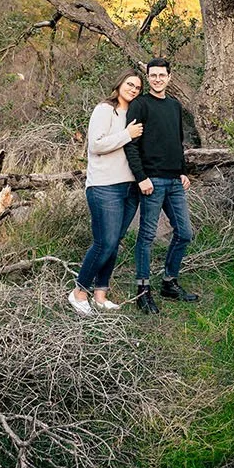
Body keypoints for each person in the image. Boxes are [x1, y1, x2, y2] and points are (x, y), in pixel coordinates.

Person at [124, 57, 198, 315]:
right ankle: (143, 292)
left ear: (169, 77)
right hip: (151, 181)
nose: (157, 79)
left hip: (175, 182)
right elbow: (130, 145)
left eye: (161, 75)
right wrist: (141, 177)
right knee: (146, 236)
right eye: (152, 75)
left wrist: (183, 172)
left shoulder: (175, 106)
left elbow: (177, 142)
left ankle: (169, 282)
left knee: (184, 233)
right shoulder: (140, 105)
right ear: (148, 78)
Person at [68, 69, 144, 316]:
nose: (133, 89)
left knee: (114, 243)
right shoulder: (105, 109)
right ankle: (79, 291)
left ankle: (100, 294)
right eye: (130, 84)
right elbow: (96, 145)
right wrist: (126, 134)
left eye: (137, 88)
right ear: (119, 83)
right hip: (104, 186)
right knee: (105, 242)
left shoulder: (132, 114)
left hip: (129, 187)